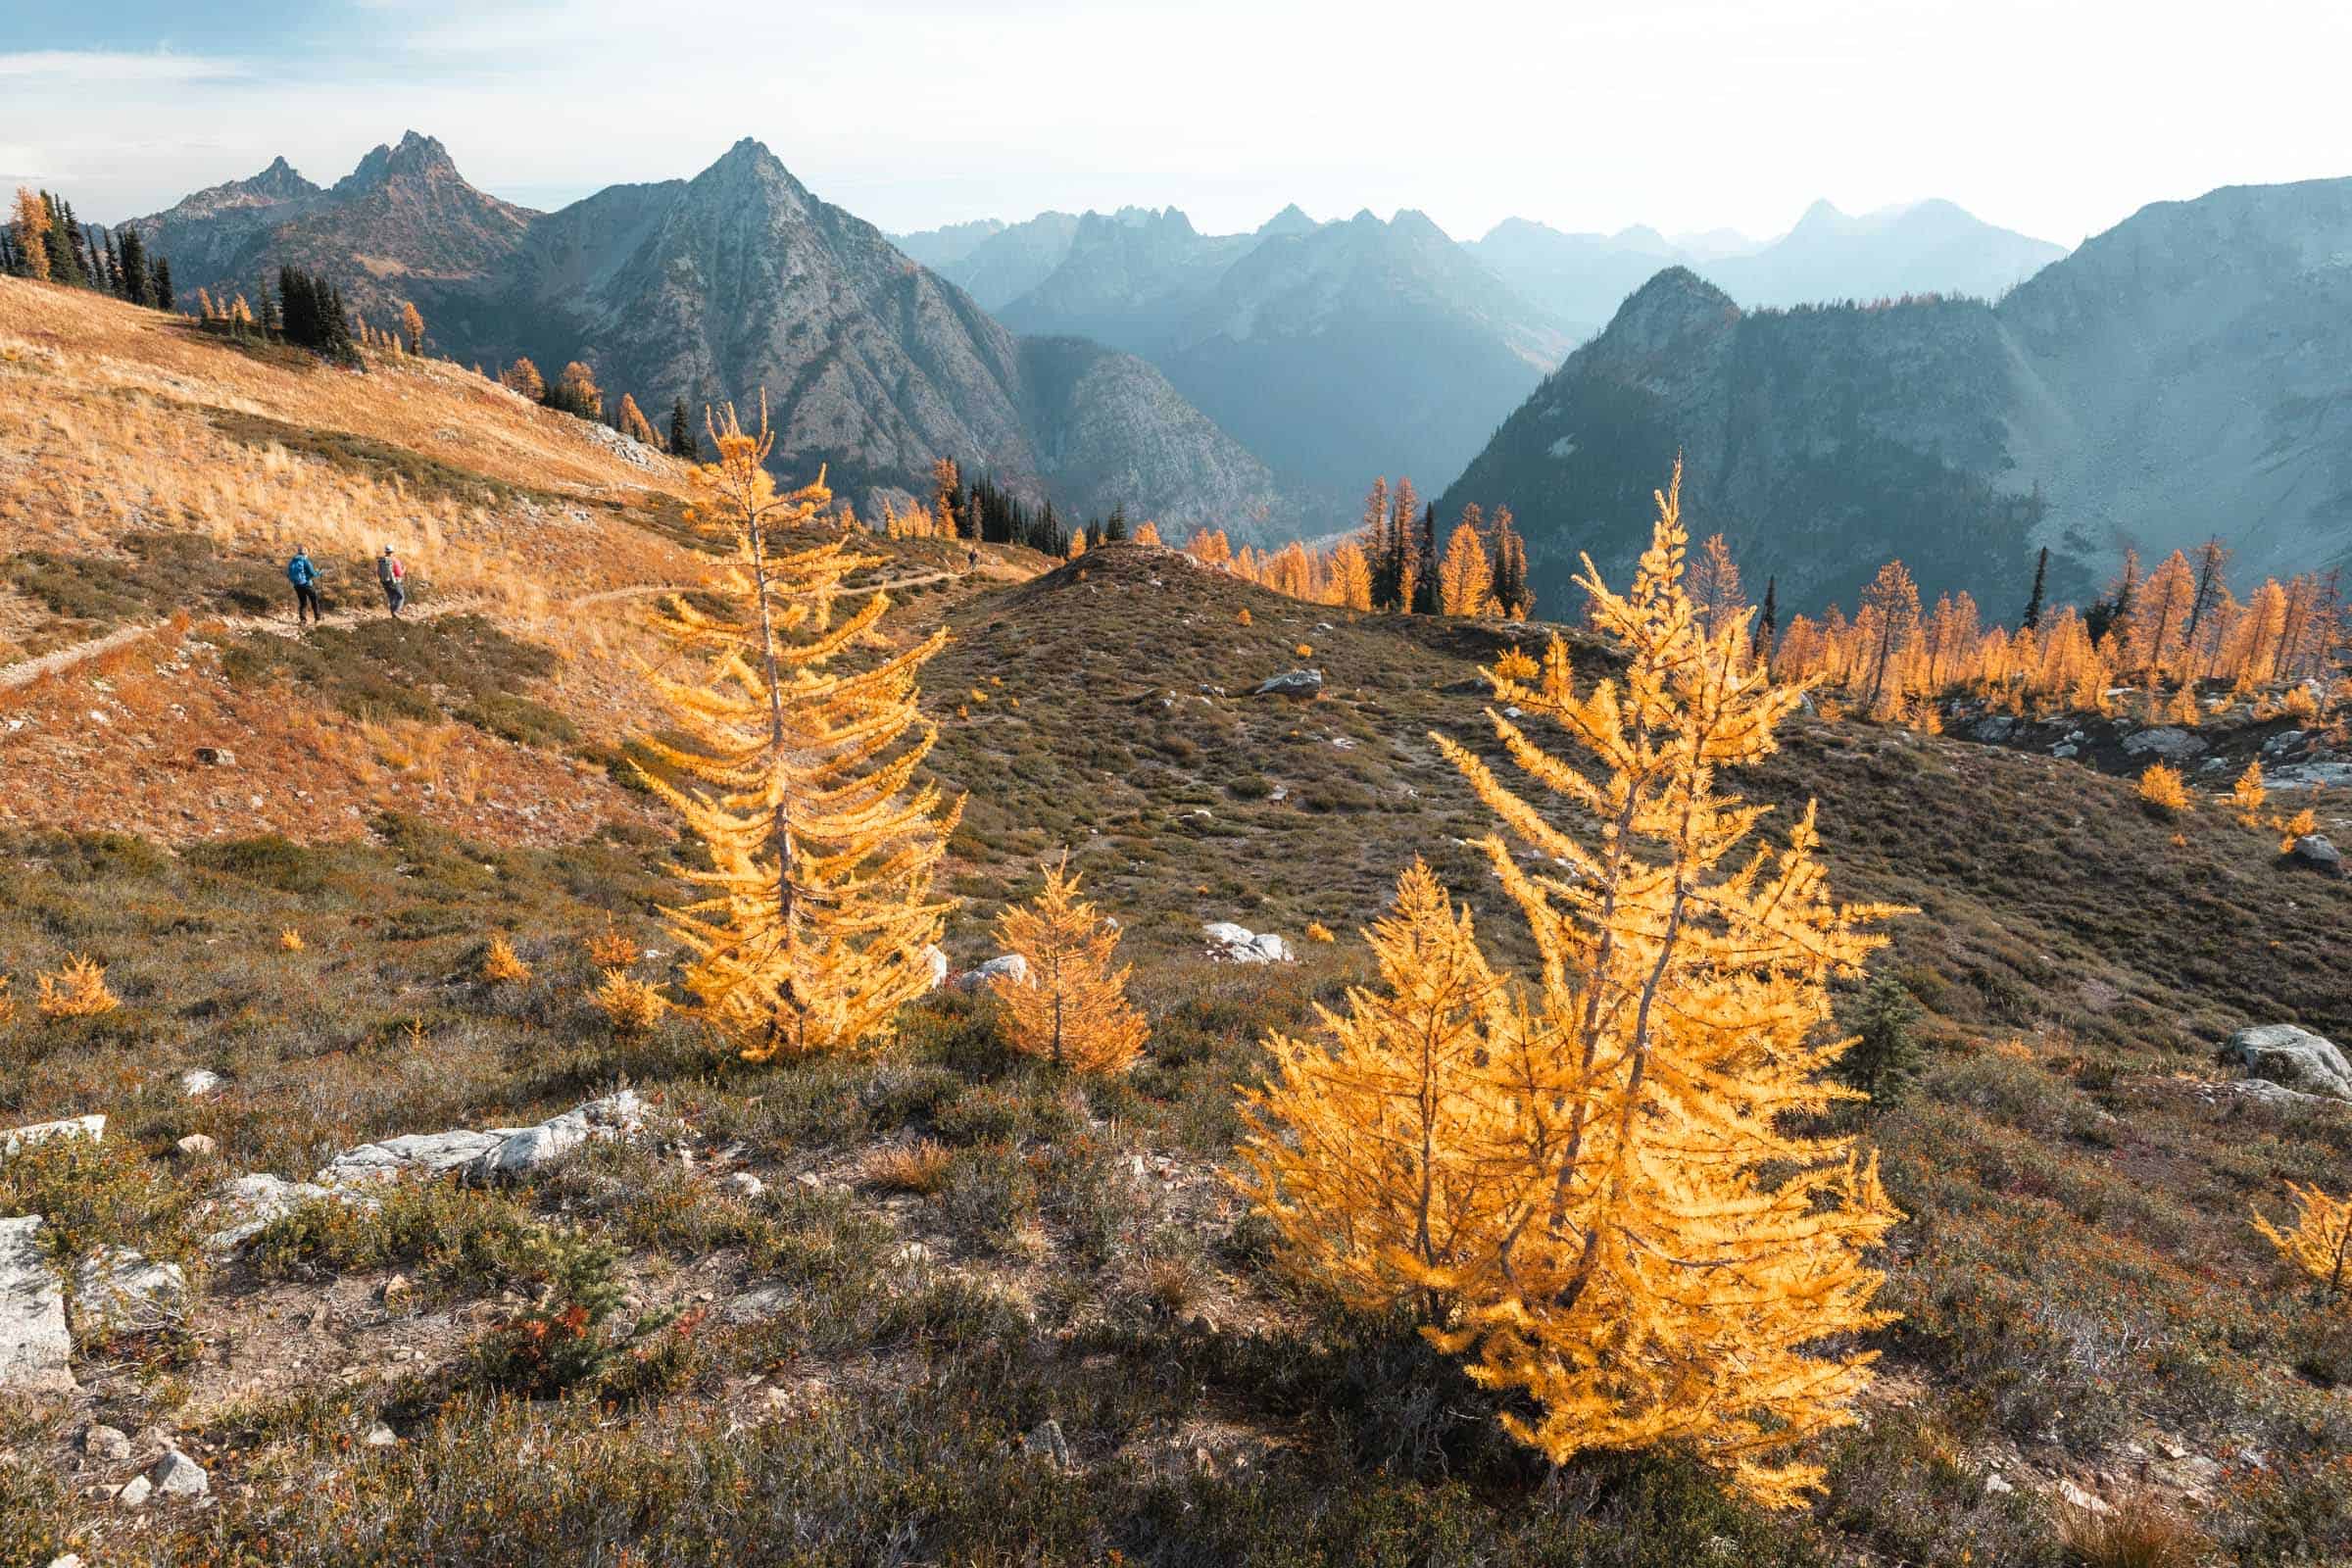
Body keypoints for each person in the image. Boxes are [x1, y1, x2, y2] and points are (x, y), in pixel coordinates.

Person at [287, 547, 321, 625]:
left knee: (303, 602)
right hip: (307, 584)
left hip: (297, 585)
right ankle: (317, 620)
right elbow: (313, 574)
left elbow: (288, 574)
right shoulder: (305, 561)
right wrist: (319, 573)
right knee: (314, 600)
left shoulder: (292, 561)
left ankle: (303, 621)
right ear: (306, 553)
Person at [377, 545, 407, 617]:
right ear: (392, 552)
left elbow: (378, 572)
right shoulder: (395, 561)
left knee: (392, 597)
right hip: (394, 582)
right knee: (401, 596)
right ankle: (396, 612)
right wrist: (404, 570)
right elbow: (399, 574)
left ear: (386, 551)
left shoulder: (381, 560)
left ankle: (393, 615)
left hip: (384, 582)